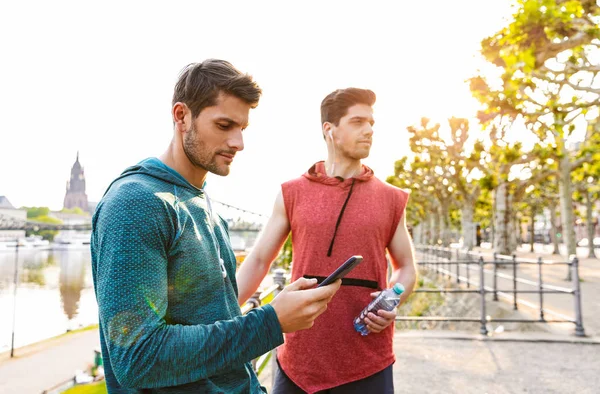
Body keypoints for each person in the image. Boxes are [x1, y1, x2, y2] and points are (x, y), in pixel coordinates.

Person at [91, 59, 341, 394]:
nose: (238, 143)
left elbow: (211, 316)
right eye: (224, 125)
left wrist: (282, 308)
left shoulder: (200, 201)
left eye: (242, 128)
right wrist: (270, 321)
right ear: (182, 116)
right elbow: (138, 358)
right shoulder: (137, 204)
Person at [237, 88, 417, 393]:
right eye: (358, 121)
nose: (370, 130)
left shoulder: (391, 198)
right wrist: (217, 320)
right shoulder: (291, 192)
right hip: (298, 361)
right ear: (329, 130)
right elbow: (257, 260)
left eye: (372, 122)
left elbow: (407, 267)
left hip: (368, 358)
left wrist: (394, 299)